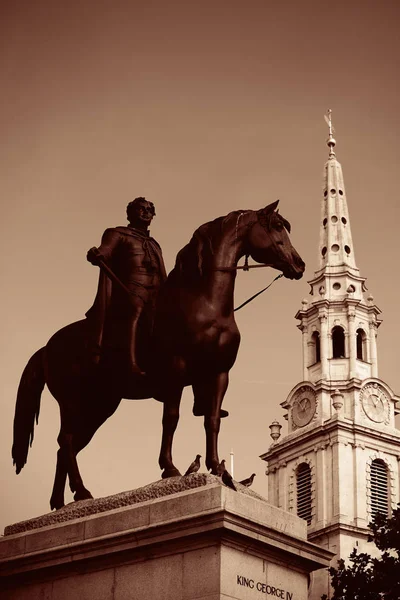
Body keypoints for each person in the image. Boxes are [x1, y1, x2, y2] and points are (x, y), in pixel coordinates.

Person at [86, 197, 167, 375]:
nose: (146, 212)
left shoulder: (154, 244)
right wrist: (97, 254)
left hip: (156, 291)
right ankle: (129, 363)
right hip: (129, 288)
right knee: (135, 308)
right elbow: (105, 251)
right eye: (141, 209)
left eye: (149, 210)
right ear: (130, 213)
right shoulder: (117, 233)